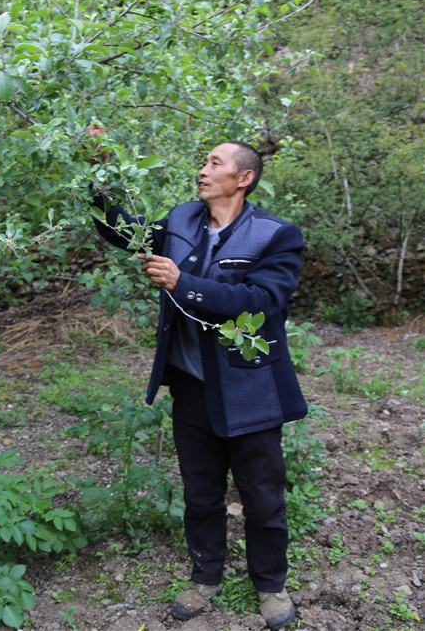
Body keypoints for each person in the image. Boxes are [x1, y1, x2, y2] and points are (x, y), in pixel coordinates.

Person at [89, 134, 306, 630]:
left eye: (214, 163)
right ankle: (206, 577)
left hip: (251, 387)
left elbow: (262, 301)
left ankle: (270, 585)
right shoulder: (182, 220)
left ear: (244, 177)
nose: (203, 170)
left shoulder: (276, 234)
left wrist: (182, 283)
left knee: (262, 495)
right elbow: (124, 231)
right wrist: (100, 172)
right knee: (201, 491)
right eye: (203, 162)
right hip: (191, 386)